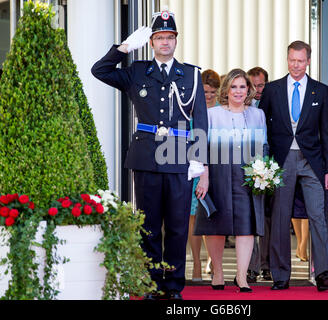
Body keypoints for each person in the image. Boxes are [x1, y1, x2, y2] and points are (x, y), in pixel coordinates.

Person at [91, 10, 208, 300]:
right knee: (149, 226)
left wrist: (199, 160)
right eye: (159, 38)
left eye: (169, 37)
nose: (165, 43)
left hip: (179, 155)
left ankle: (174, 286)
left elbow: (201, 120)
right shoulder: (137, 71)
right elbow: (99, 70)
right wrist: (124, 48)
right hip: (146, 156)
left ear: (176, 41)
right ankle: (153, 284)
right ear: (152, 42)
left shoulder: (191, 74)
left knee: (179, 226)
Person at [259, 40, 328, 292]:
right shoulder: (272, 90)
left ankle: (323, 272)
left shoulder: (320, 91)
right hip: (281, 162)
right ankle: (280, 275)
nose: (296, 65)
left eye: (300, 61)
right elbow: (263, 130)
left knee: (318, 216)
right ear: (287, 59)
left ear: (308, 61)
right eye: (292, 60)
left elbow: (327, 132)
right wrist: (264, 165)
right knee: (281, 218)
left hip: (312, 162)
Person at [194, 69, 268, 293]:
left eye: (242, 87)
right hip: (216, 174)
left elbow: (263, 146)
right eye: (234, 87)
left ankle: (242, 276)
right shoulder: (212, 114)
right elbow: (201, 147)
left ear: (249, 90)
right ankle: (217, 272)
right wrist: (203, 177)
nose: (238, 91)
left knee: (246, 227)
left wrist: (262, 172)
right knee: (215, 225)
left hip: (247, 174)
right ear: (226, 89)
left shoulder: (258, 115)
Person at [188, 69, 221, 280]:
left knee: (214, 215)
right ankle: (196, 263)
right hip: (194, 166)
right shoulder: (190, 111)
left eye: (212, 92)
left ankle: (213, 259)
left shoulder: (222, 111)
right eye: (205, 91)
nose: (208, 95)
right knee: (193, 217)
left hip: (217, 168)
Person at [246, 66, 271, 282]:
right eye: (252, 85)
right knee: (249, 219)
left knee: (267, 219)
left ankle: (267, 264)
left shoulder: (271, 105)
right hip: (245, 167)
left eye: (260, 85)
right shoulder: (240, 107)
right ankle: (251, 267)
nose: (256, 89)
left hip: (269, 167)